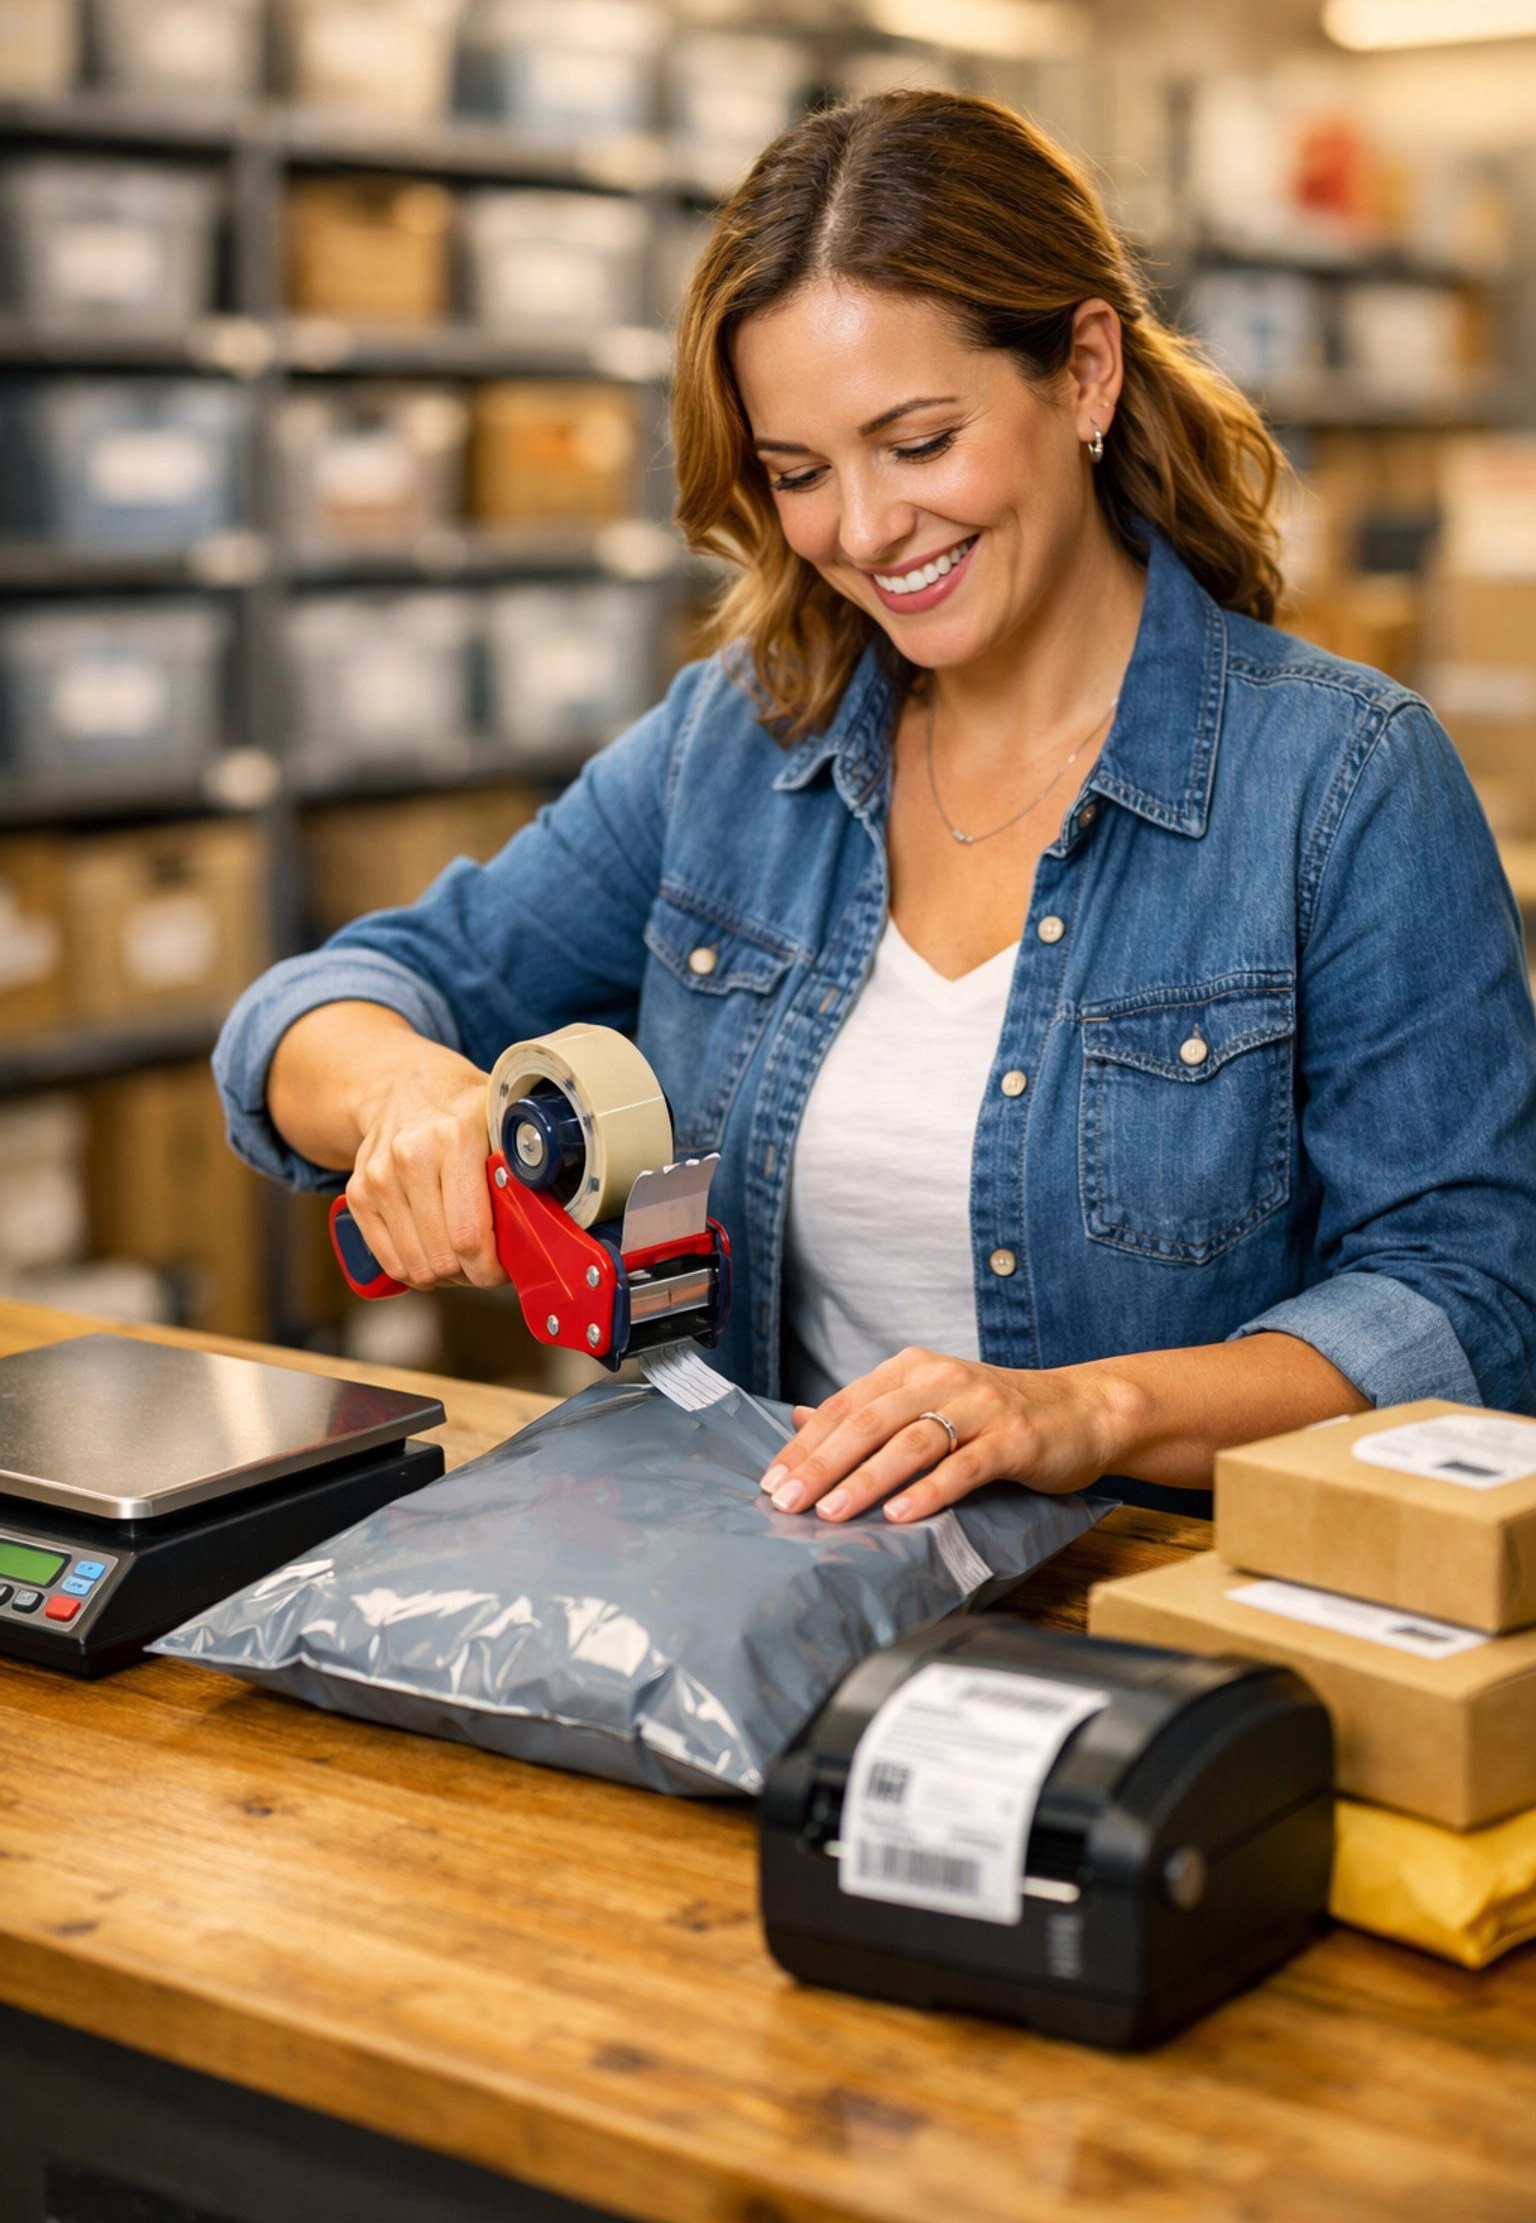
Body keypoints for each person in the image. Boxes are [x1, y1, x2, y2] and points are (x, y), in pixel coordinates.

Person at [215, 89, 1536, 1529]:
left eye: (917, 443)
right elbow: (308, 1013)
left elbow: (1475, 1298)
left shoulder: (1341, 780)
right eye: (799, 472)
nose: (862, 530)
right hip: (764, 1585)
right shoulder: (737, 746)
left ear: (1086, 373)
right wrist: (406, 1095)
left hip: (1152, 1602)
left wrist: (1088, 1410)